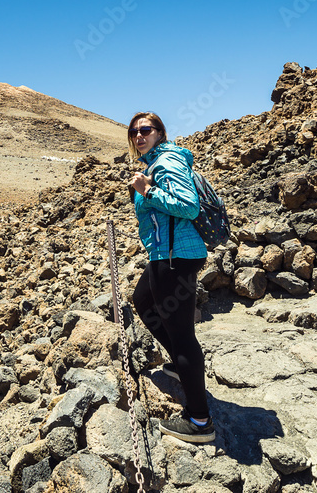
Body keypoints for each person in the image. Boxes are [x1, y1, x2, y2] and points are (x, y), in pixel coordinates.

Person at [126, 111, 214, 443]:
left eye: (145, 130)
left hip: (176, 258)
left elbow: (188, 207)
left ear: (160, 133)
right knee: (142, 300)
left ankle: (200, 420)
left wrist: (147, 191)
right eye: (133, 132)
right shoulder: (155, 162)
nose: (138, 135)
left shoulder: (167, 162)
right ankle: (181, 365)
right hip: (166, 255)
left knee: (182, 335)